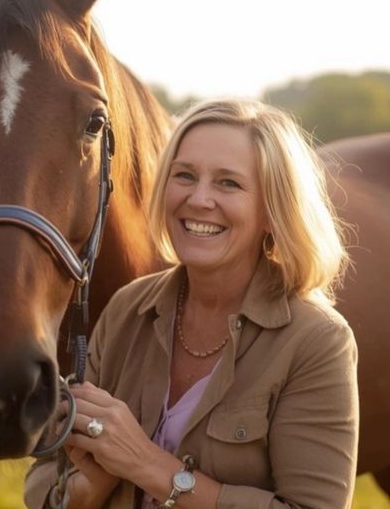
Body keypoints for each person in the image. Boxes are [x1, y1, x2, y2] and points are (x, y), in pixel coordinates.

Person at [24, 99, 359, 509]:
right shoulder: (126, 308)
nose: (199, 199)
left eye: (228, 183)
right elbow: (43, 480)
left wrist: (145, 463)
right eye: (184, 176)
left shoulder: (318, 341)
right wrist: (92, 484)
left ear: (273, 209)